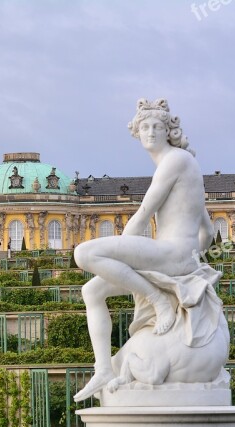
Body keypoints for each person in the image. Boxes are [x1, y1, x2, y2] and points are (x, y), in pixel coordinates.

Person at [72, 98, 214, 402]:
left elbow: (142, 214)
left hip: (170, 254)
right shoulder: (187, 162)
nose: (149, 132)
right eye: (144, 126)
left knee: (85, 254)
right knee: (92, 292)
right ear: (137, 132)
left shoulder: (174, 161)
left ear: (168, 131)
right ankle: (103, 370)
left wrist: (126, 253)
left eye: (156, 126)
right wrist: (194, 263)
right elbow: (209, 232)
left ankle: (157, 299)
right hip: (178, 257)